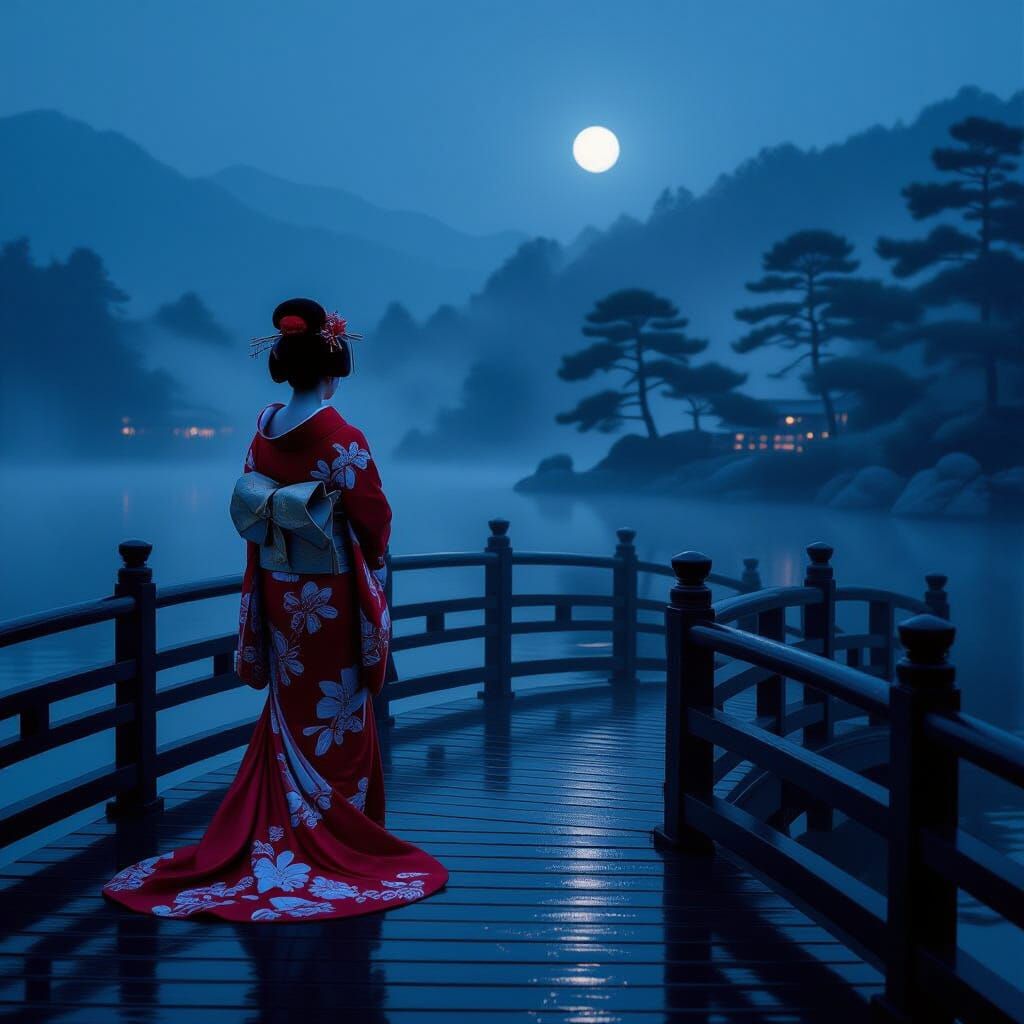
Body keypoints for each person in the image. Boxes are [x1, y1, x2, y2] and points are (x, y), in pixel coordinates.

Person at [103, 298, 448, 921]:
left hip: (281, 591)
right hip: (333, 598)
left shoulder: (264, 428)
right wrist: (363, 550)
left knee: (294, 707)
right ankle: (335, 835)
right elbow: (374, 518)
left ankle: (286, 821)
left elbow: (254, 505)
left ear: (287, 368)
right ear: (334, 368)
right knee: (337, 713)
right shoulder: (343, 437)